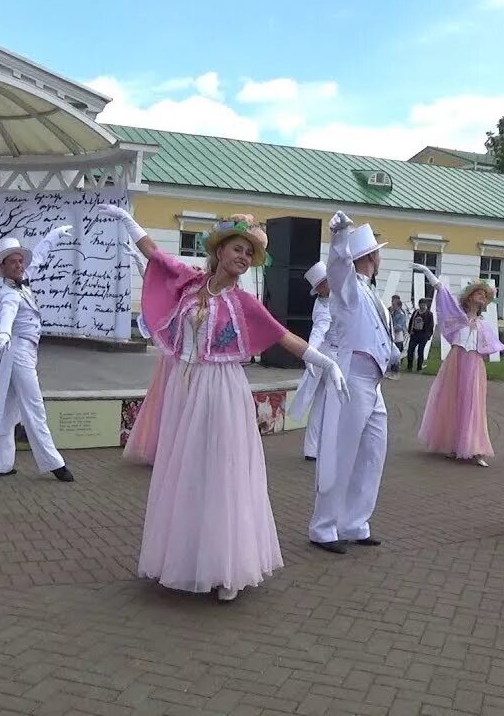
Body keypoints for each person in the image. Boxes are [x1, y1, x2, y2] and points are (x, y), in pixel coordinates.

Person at [101, 204, 348, 603]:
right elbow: (155, 255)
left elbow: (284, 336)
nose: (243, 258)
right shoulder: (189, 284)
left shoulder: (244, 303)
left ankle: (228, 567)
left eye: (249, 254)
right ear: (219, 251)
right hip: (186, 387)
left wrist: (326, 363)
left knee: (222, 471)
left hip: (222, 390)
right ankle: (185, 557)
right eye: (237, 249)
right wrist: (128, 221)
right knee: (187, 472)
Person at [309, 211, 398, 555]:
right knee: (340, 452)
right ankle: (323, 527)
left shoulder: (372, 295)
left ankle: (355, 522)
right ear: (371, 257)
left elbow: (379, 334)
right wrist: (339, 240)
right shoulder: (348, 290)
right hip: (352, 377)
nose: (380, 257)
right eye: (378, 252)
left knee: (373, 454)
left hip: (373, 382)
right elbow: (337, 270)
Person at [412, 266, 504, 468]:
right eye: (478, 293)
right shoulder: (458, 317)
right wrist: (427, 272)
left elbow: (499, 347)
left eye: (484, 295)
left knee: (473, 405)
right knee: (452, 401)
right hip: (455, 362)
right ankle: (454, 444)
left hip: (474, 365)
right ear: (469, 298)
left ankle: (475, 448)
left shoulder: (484, 326)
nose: (481, 296)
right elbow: (443, 291)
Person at [0, 227, 74, 482]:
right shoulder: (9, 294)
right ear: (2, 267)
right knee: (34, 407)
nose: (19, 265)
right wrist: (3, 333)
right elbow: (7, 313)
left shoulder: (23, 282)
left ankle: (0, 464)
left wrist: (53, 236)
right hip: (17, 352)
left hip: (25, 351)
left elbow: (37, 258)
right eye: (12, 262)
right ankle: (54, 463)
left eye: (19, 261)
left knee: (7, 407)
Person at [121, 238, 174, 466]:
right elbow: (149, 281)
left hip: (181, 357)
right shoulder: (169, 295)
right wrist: (137, 260)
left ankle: (173, 449)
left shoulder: (186, 295)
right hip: (171, 357)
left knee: (175, 403)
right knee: (164, 401)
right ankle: (163, 448)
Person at [289, 261, 335, 462]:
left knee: (322, 403)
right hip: (328, 359)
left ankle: (314, 448)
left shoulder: (332, 300)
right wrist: (310, 352)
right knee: (329, 404)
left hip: (328, 357)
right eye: (325, 282)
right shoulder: (324, 306)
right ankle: (319, 448)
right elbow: (319, 330)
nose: (328, 285)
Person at [405, 298, 433, 371]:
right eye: (421, 304)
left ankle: (419, 367)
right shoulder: (416, 312)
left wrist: (428, 336)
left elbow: (430, 326)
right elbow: (411, 322)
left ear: (426, 305)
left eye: (423, 305)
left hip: (423, 335)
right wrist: (410, 331)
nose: (422, 306)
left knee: (420, 351)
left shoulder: (429, 314)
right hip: (414, 334)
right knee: (410, 350)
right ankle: (409, 366)